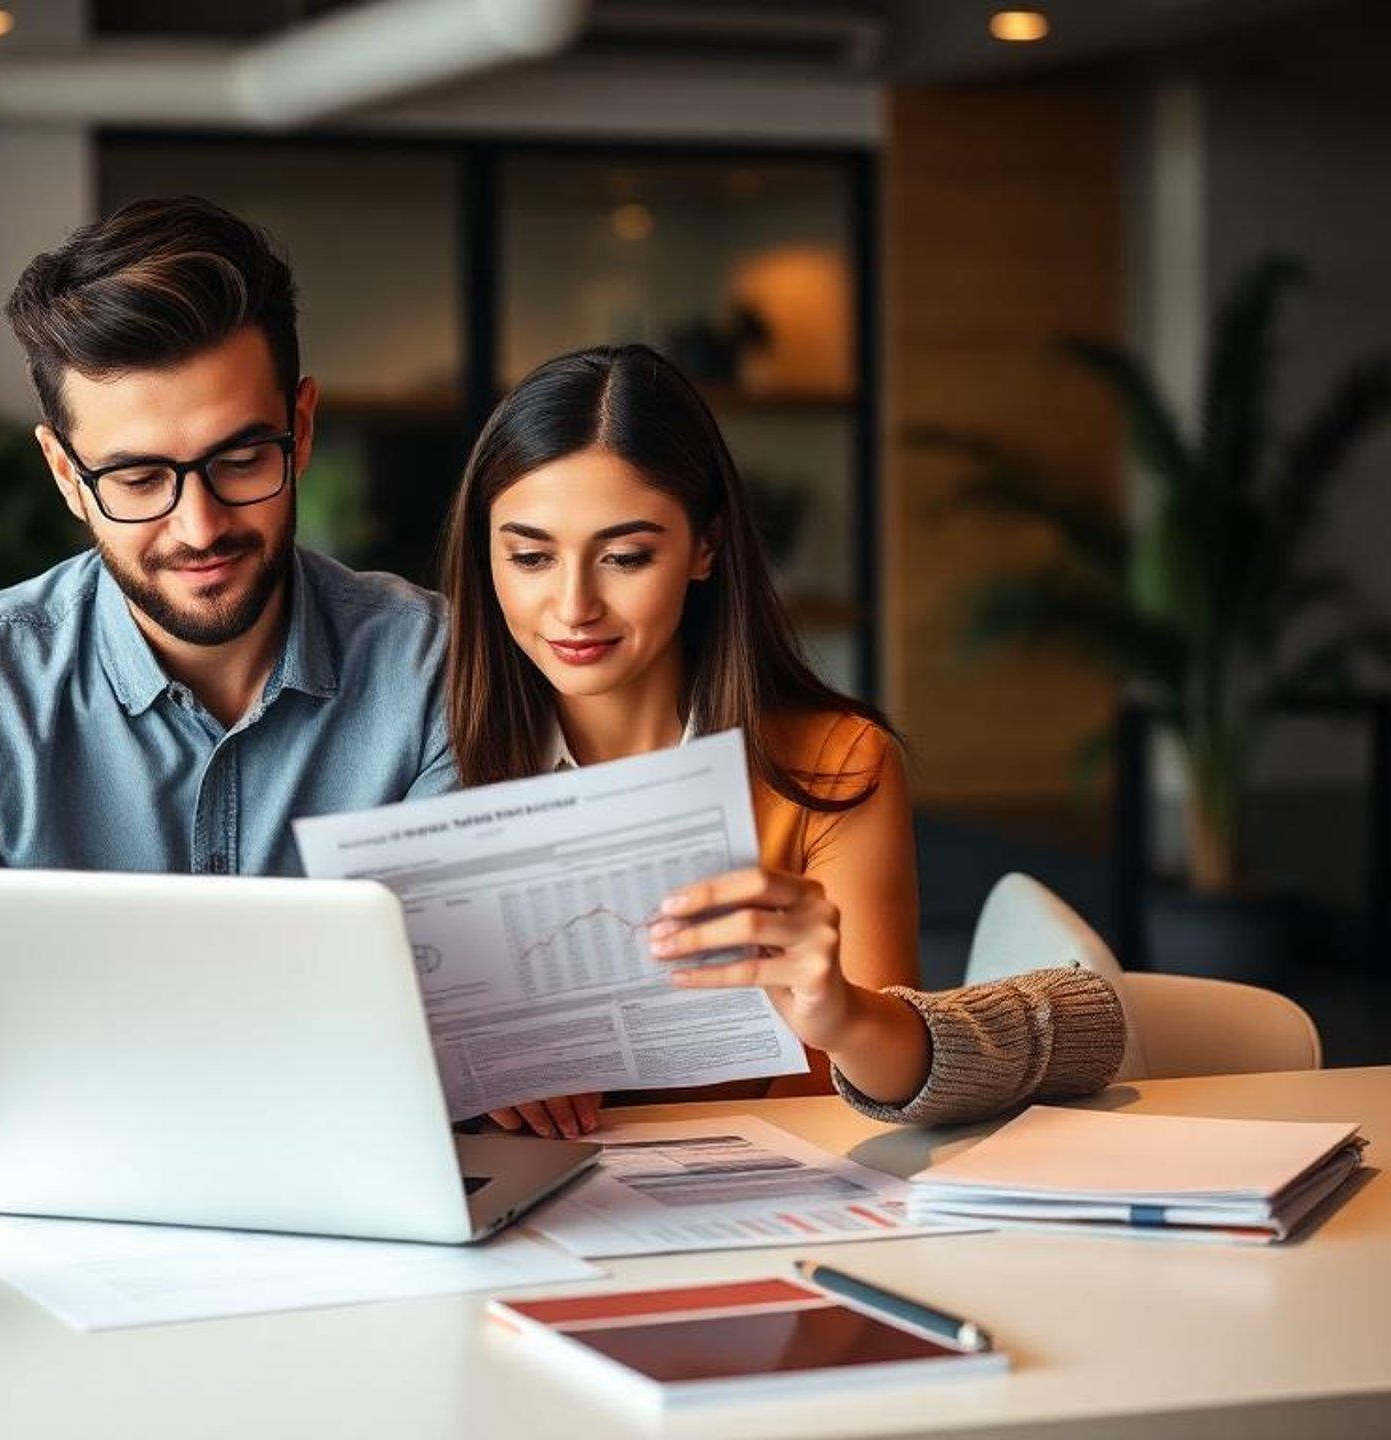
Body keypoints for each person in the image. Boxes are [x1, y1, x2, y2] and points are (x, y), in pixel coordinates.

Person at [0, 197, 456, 1165]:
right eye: (138, 478)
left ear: (301, 429)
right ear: (66, 474)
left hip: (363, 1183)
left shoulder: (430, 662)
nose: (198, 528)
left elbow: (484, 990)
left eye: (240, 459)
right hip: (45, 1200)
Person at [440, 344, 1125, 1136]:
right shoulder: (434, 749)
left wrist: (838, 1013)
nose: (572, 605)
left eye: (626, 557)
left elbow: (871, 1102)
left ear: (705, 547)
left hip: (751, 1200)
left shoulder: (831, 765)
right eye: (529, 556)